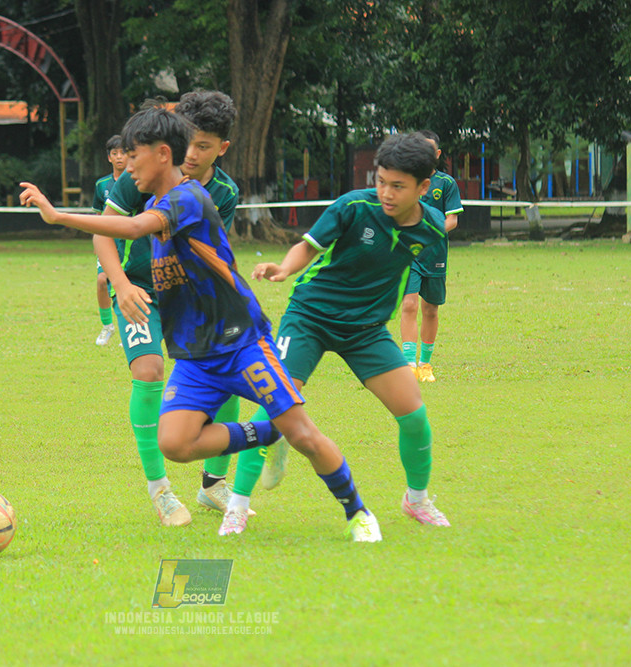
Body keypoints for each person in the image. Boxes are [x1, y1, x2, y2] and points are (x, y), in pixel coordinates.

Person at [20, 106, 382, 542]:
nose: (127, 165)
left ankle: (357, 512)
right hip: (196, 355)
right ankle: (268, 431)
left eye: (133, 156)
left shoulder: (187, 199)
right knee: (175, 443)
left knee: (304, 434)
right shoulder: (157, 199)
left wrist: (57, 216)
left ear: (161, 154)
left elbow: (133, 227)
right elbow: (127, 225)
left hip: (241, 342)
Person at [228, 132, 452, 536]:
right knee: (271, 406)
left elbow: (414, 276)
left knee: (414, 413)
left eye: (398, 186)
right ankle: (237, 507)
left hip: (365, 331)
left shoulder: (433, 230)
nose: (385, 192)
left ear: (424, 186)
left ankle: (416, 501)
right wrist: (283, 268)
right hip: (310, 317)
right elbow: (309, 246)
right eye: (380, 181)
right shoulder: (353, 206)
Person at [92, 92, 243, 527]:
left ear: (222, 148)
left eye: (204, 146)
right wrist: (119, 284)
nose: (191, 155)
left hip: (190, 297)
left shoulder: (224, 192)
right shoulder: (140, 174)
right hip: (139, 289)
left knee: (227, 377)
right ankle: (160, 492)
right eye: (187, 143)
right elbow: (104, 232)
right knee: (148, 371)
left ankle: (213, 485)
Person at [400, 129, 463, 381]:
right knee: (408, 304)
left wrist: (431, 232)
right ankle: (408, 366)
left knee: (431, 310)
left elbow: (453, 220)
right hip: (409, 253)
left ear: (436, 154)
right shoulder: (406, 181)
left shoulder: (446, 184)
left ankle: (425, 365)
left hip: (435, 253)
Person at [92, 135, 128, 346]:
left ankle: (129, 328)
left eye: (123, 152)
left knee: (128, 283)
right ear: (109, 158)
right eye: (115, 153)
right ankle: (107, 327)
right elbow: (98, 217)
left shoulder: (137, 180)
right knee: (102, 281)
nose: (119, 157)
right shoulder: (102, 185)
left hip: (130, 243)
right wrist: (98, 242)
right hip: (109, 242)